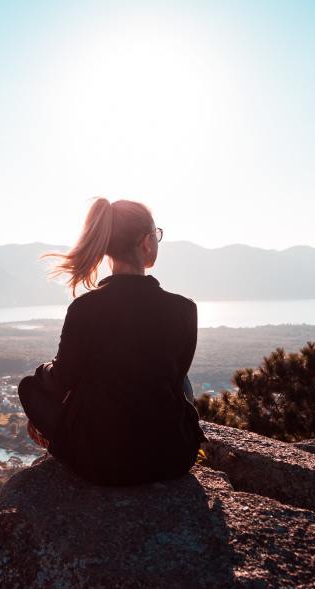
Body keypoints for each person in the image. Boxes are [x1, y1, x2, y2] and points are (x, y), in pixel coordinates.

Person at [18, 197, 207, 487]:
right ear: (146, 242)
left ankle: (58, 441)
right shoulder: (184, 309)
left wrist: (43, 370)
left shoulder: (85, 308)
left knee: (28, 387)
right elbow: (176, 376)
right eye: (156, 234)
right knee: (180, 380)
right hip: (173, 457)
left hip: (101, 463)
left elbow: (60, 380)